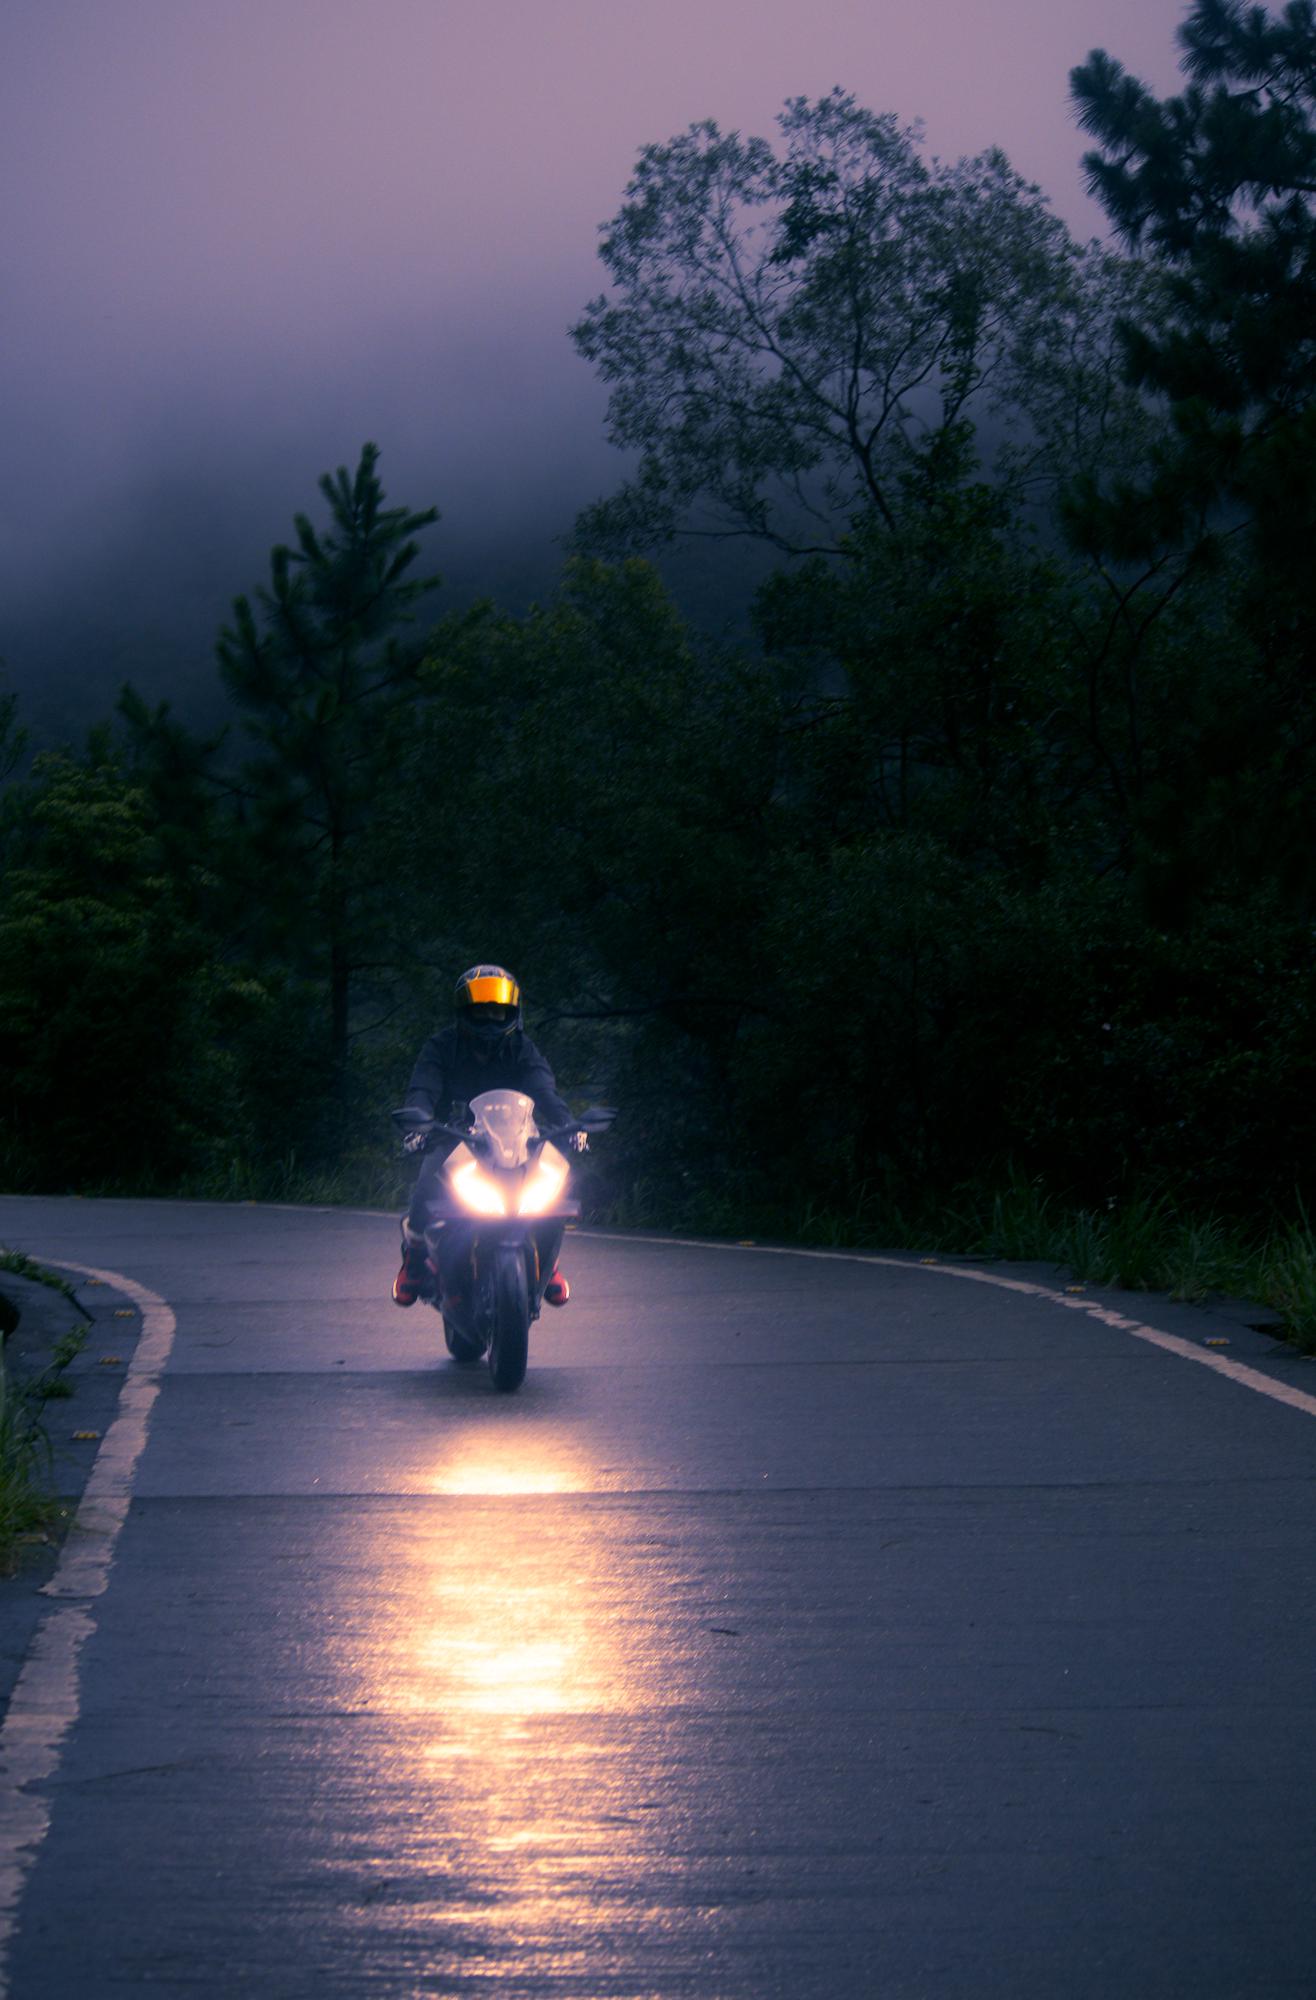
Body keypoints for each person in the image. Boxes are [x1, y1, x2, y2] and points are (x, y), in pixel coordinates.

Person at [393, 964, 576, 1308]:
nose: (490, 1020)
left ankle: (548, 1261)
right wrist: (419, 1124)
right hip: (453, 1136)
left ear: (512, 1014)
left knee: (555, 1180)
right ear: (465, 1013)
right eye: (481, 1012)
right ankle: (414, 1259)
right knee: (427, 1182)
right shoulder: (441, 1046)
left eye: (498, 1012)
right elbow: (423, 1090)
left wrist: (569, 1124)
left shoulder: (523, 1049)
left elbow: (545, 1090)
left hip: (515, 1137)